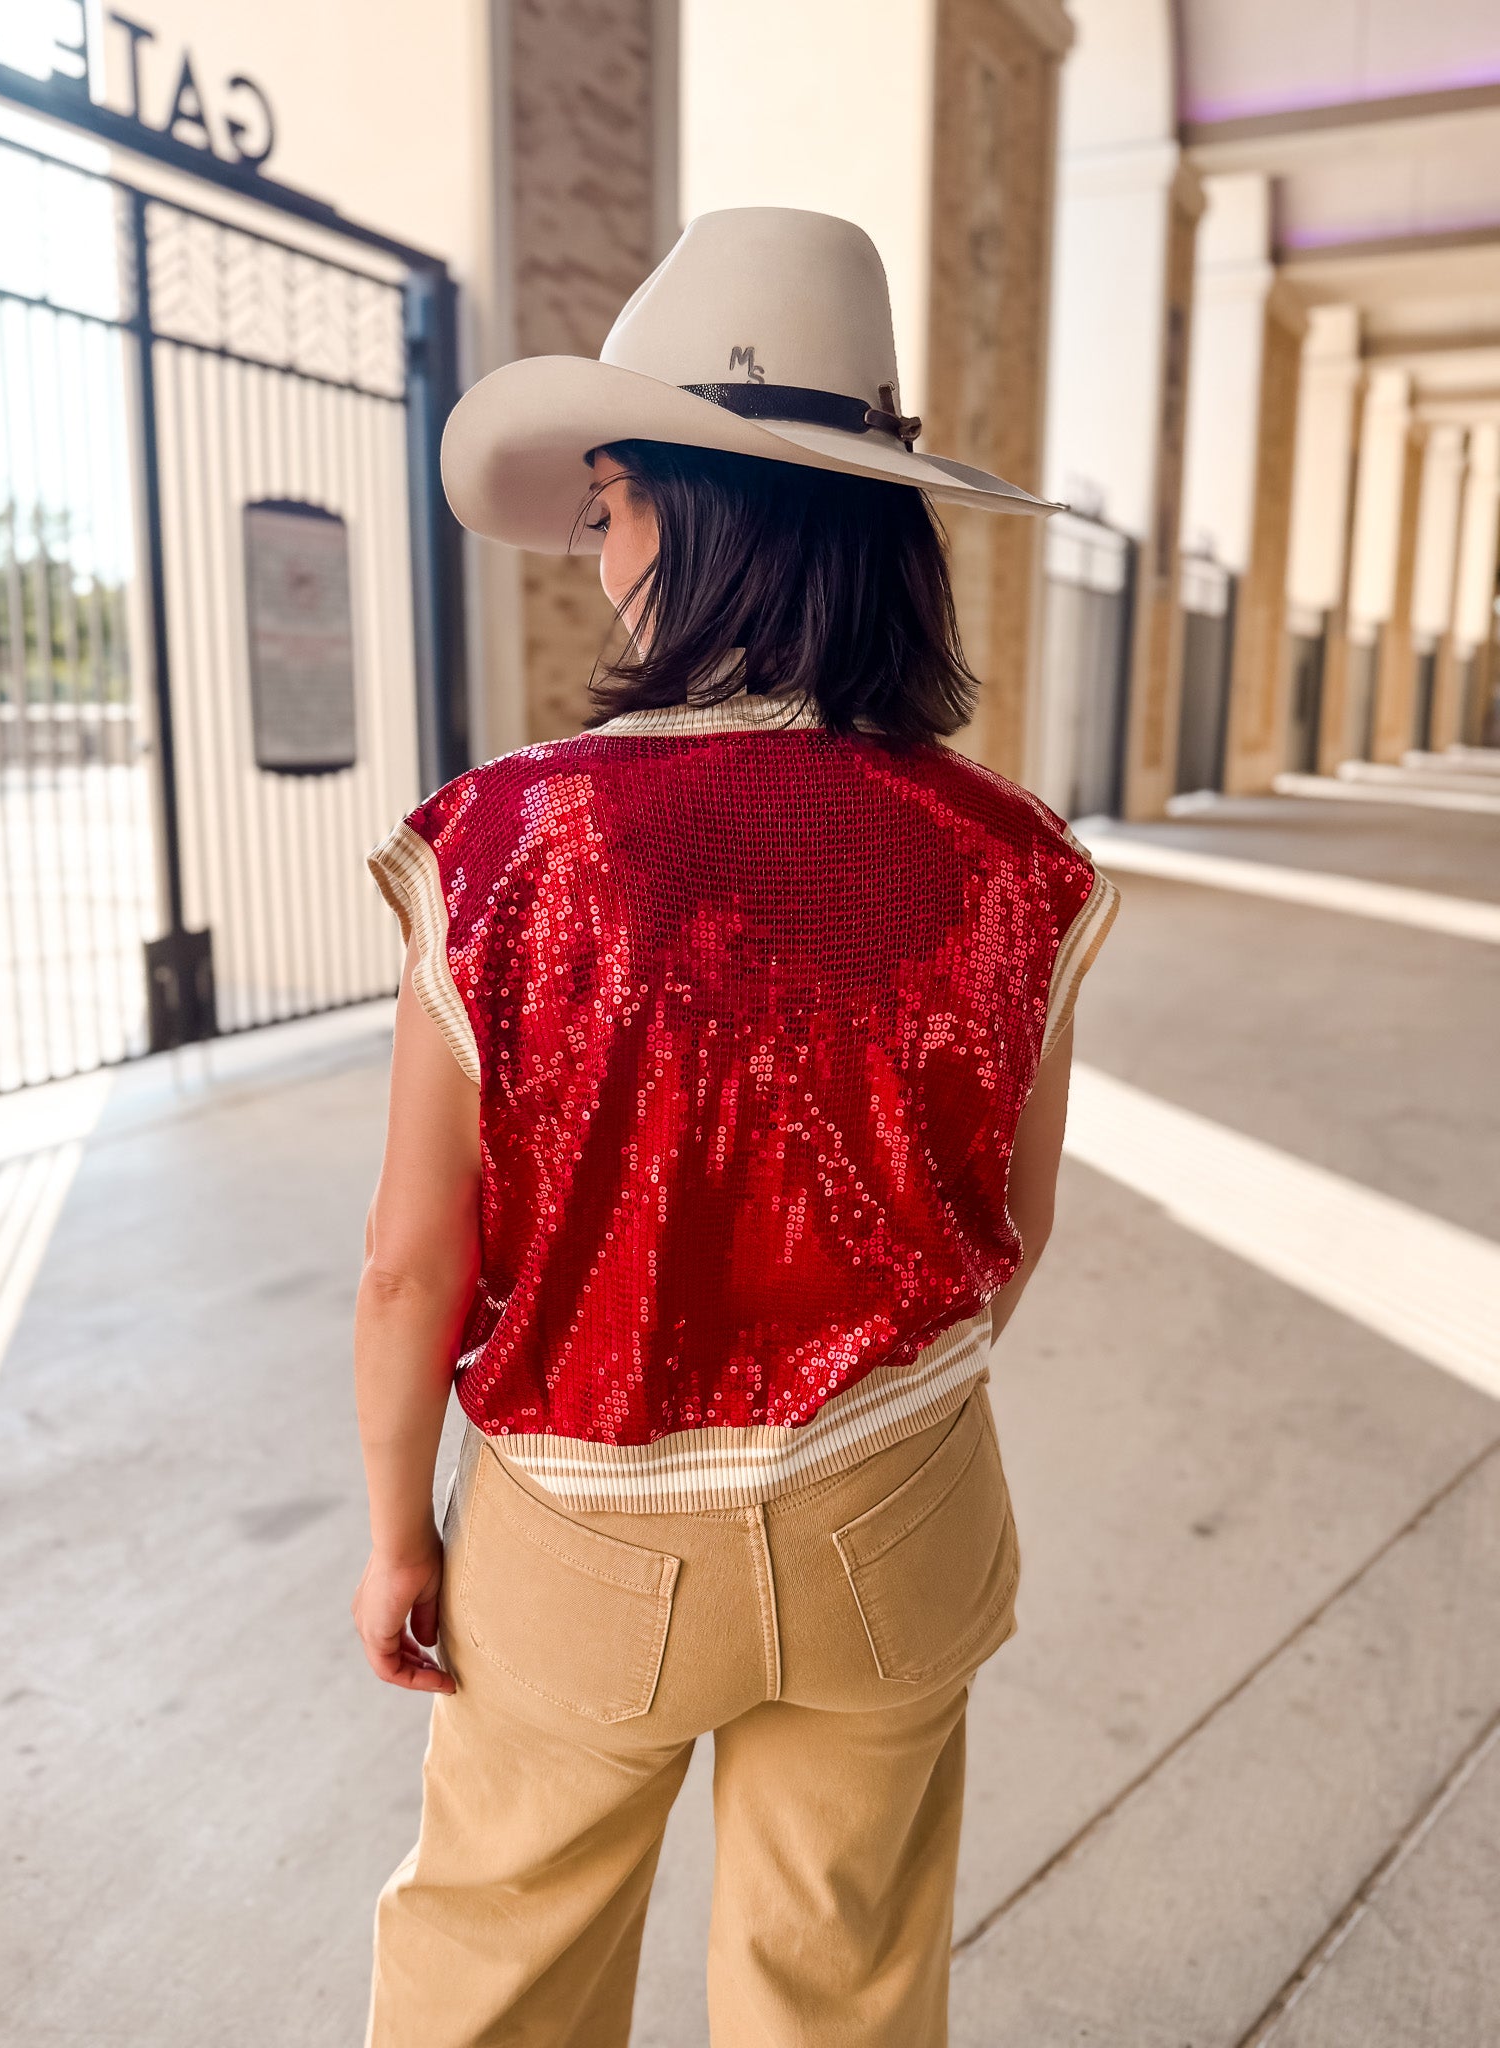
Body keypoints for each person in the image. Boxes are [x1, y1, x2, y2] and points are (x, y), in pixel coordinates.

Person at [352, 207, 1119, 2048]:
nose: (592, 553)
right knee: (843, 1982)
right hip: (904, 1501)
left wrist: (398, 1531)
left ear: (695, 511)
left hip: (583, 1532)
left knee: (499, 1967)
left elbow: (409, 1263)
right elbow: (1003, 1232)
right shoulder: (1020, 863)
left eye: (607, 504)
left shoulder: (514, 843)